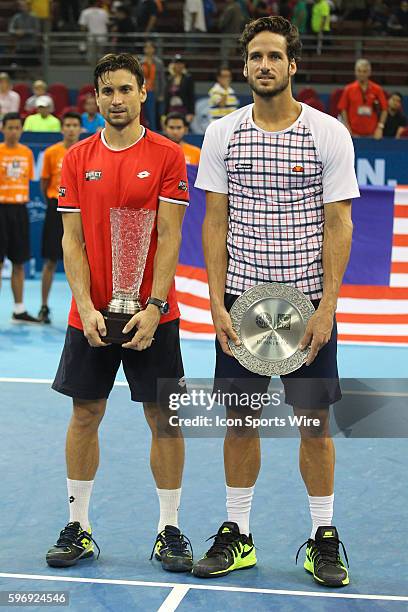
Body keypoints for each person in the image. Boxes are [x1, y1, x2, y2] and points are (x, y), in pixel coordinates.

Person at [194, 16, 359, 586]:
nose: (264, 65)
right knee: (240, 422)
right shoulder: (222, 134)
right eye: (255, 56)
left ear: (292, 65)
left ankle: (324, 537)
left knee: (314, 424)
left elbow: (340, 224)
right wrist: (216, 302)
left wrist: (328, 308)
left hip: (306, 304)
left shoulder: (329, 133)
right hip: (242, 304)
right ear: (245, 66)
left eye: (274, 56)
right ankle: (237, 533)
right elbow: (214, 223)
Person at [46, 53, 192, 573]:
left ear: (142, 93)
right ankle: (78, 526)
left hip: (155, 313)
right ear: (96, 96)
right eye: (107, 91)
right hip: (90, 312)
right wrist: (84, 306)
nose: (116, 99)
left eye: (125, 89)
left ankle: (169, 529)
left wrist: (155, 307)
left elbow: (171, 237)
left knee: (164, 420)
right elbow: (72, 241)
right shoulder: (74, 157)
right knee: (85, 415)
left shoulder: (169, 155)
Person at [38, 112, 83, 325]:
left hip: (81, 209)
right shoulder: (50, 153)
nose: (71, 129)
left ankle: (87, 307)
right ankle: (44, 306)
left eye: (75, 125)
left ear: (80, 128)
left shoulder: (86, 152)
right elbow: (44, 183)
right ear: (62, 128)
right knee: (50, 261)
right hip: (56, 207)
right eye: (68, 125)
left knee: (86, 260)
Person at [0, 112, 39, 324]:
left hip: (19, 210)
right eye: (10, 127)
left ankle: (19, 308)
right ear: (3, 128)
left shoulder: (26, 153)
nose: (14, 132)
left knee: (19, 261)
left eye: (17, 128)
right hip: (0, 208)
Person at [338, 58, 388, 139]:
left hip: (372, 134)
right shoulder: (348, 89)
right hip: (353, 134)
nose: (361, 74)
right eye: (359, 71)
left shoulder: (377, 89)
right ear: (355, 72)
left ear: (369, 73)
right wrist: (347, 127)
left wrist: (380, 128)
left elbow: (385, 109)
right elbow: (343, 109)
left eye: (364, 71)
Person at [141, 41, 165, 131]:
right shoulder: (140, 62)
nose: (149, 49)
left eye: (151, 47)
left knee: (153, 114)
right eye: (147, 47)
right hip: (143, 90)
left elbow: (162, 80)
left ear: (154, 49)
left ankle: (153, 132)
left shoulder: (158, 63)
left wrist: (161, 94)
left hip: (153, 91)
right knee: (143, 114)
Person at [8, 0, 41, 66]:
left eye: (24, 6)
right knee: (20, 67)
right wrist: (16, 32)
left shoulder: (34, 17)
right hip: (20, 47)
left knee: (32, 67)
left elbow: (37, 30)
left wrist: (24, 32)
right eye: (21, 6)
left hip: (31, 47)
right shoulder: (16, 17)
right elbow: (10, 30)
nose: (23, 8)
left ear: (28, 7)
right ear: (19, 8)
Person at [164, 55, 195, 125]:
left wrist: (191, 112)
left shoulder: (188, 78)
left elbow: (191, 96)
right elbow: (167, 96)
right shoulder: (169, 79)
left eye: (181, 64)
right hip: (171, 110)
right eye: (177, 63)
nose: (179, 66)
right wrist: (165, 113)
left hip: (184, 110)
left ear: (184, 65)